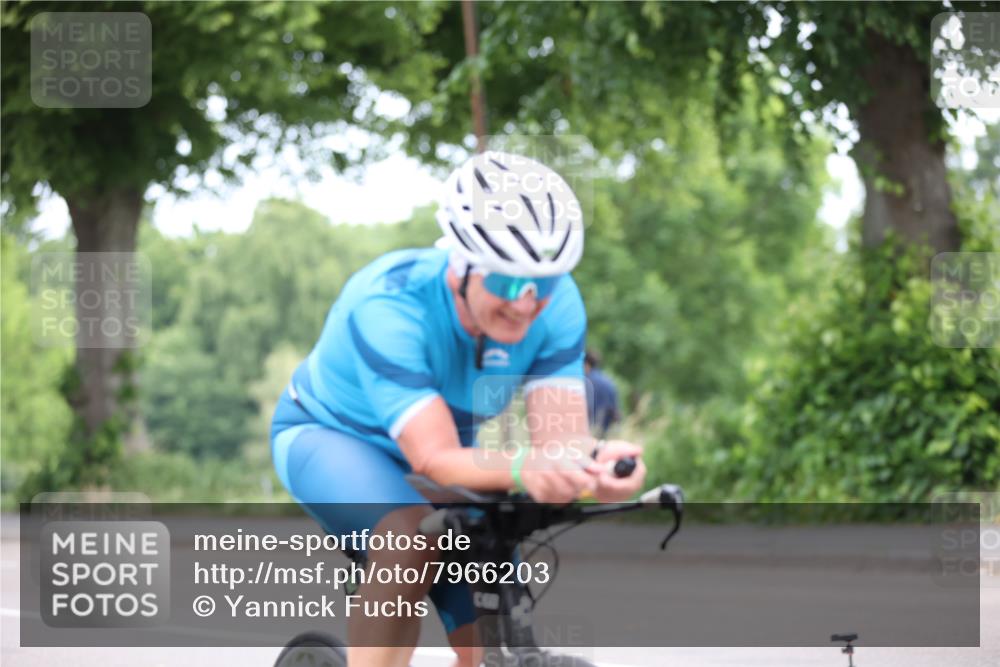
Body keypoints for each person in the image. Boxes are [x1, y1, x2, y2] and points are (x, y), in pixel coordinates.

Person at [270, 151, 647, 667]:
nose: (526, 304)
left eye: (546, 282)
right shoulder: (388, 306)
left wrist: (593, 467)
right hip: (332, 437)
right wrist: (522, 466)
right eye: (509, 283)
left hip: (447, 452)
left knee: (489, 630)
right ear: (460, 267)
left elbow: (562, 444)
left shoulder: (554, 306)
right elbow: (434, 457)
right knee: (408, 540)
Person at [584, 349, 621, 437]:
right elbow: (615, 411)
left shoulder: (584, 382)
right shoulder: (608, 382)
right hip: (605, 431)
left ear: (586, 364)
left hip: (588, 430)